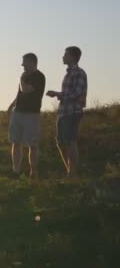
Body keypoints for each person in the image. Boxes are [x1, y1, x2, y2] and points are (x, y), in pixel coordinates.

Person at [46, 46, 87, 178]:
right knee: (60, 142)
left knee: (70, 141)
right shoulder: (68, 74)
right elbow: (69, 93)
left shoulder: (79, 73)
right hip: (63, 112)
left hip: (73, 112)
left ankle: (72, 174)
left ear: (73, 57)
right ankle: (70, 171)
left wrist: (58, 94)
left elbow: (78, 94)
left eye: (66, 55)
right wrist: (60, 95)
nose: (63, 57)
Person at [8, 53, 46, 179]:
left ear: (31, 62)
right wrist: (11, 105)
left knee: (32, 144)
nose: (22, 65)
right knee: (15, 142)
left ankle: (33, 172)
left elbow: (25, 89)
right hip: (18, 112)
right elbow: (20, 93)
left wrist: (21, 78)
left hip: (31, 114)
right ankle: (16, 171)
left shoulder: (39, 76)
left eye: (24, 62)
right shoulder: (24, 76)